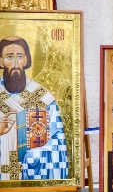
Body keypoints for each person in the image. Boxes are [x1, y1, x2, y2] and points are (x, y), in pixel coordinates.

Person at [0, 36, 68, 181]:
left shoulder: (43, 96)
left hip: (31, 165)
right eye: (9, 57)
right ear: (1, 61)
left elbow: (58, 140)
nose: (16, 63)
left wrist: (36, 155)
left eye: (20, 56)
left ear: (26, 60)